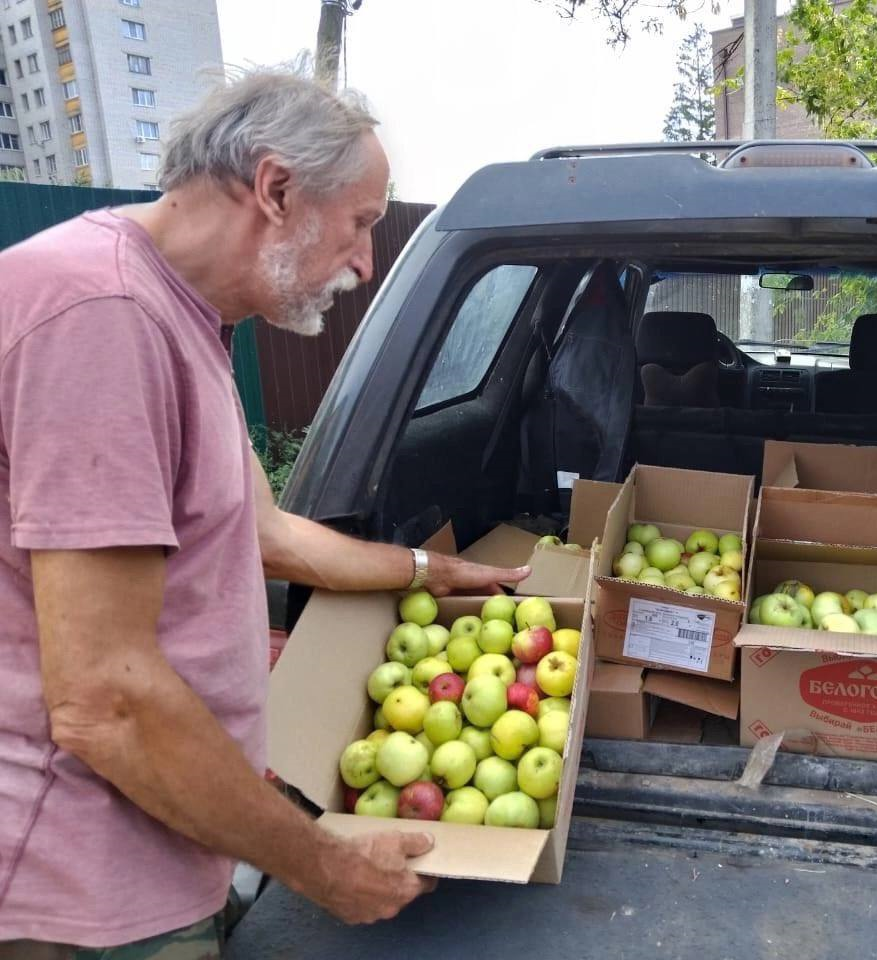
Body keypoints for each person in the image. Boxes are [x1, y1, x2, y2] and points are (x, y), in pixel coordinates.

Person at [0, 65, 528, 958]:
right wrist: (322, 866)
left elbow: (265, 534)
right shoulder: (102, 316)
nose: (366, 262)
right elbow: (104, 701)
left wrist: (435, 573)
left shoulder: (182, 313)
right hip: (85, 891)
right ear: (276, 190)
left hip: (189, 835)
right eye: (361, 224)